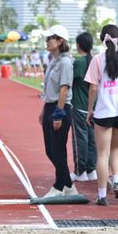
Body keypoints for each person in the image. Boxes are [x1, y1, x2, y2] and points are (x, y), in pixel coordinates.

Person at [85, 25, 118, 206]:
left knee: (102, 154)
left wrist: (90, 110)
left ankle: (102, 195)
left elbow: (93, 88)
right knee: (116, 150)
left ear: (103, 40)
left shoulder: (97, 60)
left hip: (105, 111)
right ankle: (117, 181)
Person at [39, 25, 75, 197]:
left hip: (60, 108)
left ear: (60, 41)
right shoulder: (53, 61)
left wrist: (58, 114)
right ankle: (68, 184)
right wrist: (44, 110)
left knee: (58, 149)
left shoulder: (66, 63)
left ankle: (59, 186)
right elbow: (50, 89)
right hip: (50, 106)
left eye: (50, 38)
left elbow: (64, 89)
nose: (47, 41)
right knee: (50, 150)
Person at [71, 32, 96, 183]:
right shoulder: (95, 61)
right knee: (92, 140)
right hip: (93, 107)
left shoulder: (79, 63)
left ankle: (80, 171)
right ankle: (91, 170)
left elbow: (69, 81)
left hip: (80, 106)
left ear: (79, 45)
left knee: (80, 140)